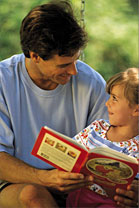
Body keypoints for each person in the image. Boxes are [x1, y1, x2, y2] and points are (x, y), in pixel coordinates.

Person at [0, 1, 109, 207]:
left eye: (76, 61)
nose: (74, 71)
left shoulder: (91, 82)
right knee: (33, 195)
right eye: (64, 65)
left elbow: (111, 145)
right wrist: (45, 178)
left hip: (80, 186)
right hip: (18, 183)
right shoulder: (3, 80)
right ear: (35, 56)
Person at [66, 67, 139, 208]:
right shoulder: (97, 128)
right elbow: (72, 152)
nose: (107, 103)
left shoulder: (136, 148)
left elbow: (131, 190)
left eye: (115, 99)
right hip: (74, 196)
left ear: (136, 109)